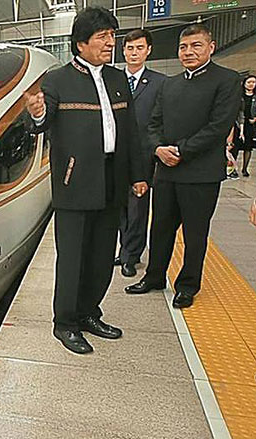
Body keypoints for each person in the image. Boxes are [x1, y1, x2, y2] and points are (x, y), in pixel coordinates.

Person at [24, 7, 147, 354]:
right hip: (75, 182)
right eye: (102, 37)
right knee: (72, 258)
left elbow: (131, 132)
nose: (110, 43)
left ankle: (90, 312)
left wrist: (138, 175)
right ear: (80, 43)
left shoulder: (117, 79)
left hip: (112, 177)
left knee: (102, 254)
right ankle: (65, 323)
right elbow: (40, 122)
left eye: (112, 36)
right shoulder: (58, 80)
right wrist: (37, 113)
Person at [125, 24, 241, 308]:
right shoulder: (170, 84)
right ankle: (154, 277)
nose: (188, 52)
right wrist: (158, 149)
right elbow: (154, 123)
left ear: (211, 47)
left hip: (201, 174)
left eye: (196, 46)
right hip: (166, 171)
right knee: (160, 228)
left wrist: (181, 150)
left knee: (195, 234)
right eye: (183, 47)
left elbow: (219, 126)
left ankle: (188, 285)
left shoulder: (227, 80)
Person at [115, 29, 166, 278]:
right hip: (115, 156)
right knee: (119, 207)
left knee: (137, 208)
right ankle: (124, 247)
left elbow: (161, 120)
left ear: (148, 51)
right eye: (130, 48)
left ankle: (131, 256)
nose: (134, 53)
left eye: (139, 48)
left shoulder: (160, 82)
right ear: (123, 51)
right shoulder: (113, 80)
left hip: (144, 156)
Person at [239, 74, 256, 177]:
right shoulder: (239, 95)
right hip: (239, 122)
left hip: (251, 124)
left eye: (253, 82)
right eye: (249, 82)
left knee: (248, 147)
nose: (251, 84)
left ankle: (245, 168)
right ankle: (232, 168)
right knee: (235, 146)